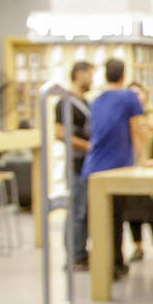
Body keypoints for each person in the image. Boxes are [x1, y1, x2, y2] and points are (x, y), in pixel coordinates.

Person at [80, 58, 145, 281]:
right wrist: (142, 160)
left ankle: (103, 263)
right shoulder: (129, 97)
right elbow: (136, 130)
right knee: (116, 218)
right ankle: (115, 264)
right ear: (124, 75)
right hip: (117, 168)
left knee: (99, 219)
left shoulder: (96, 100)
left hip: (94, 167)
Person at [125, 82, 153, 265]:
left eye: (139, 93)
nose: (137, 97)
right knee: (132, 211)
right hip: (132, 170)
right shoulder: (126, 118)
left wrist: (152, 127)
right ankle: (138, 247)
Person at [55, 61, 93, 271]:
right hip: (76, 165)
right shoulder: (65, 103)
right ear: (79, 74)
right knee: (77, 211)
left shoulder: (86, 103)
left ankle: (82, 253)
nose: (92, 79)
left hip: (88, 165)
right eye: (89, 74)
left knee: (85, 211)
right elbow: (59, 133)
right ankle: (74, 256)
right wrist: (87, 146)